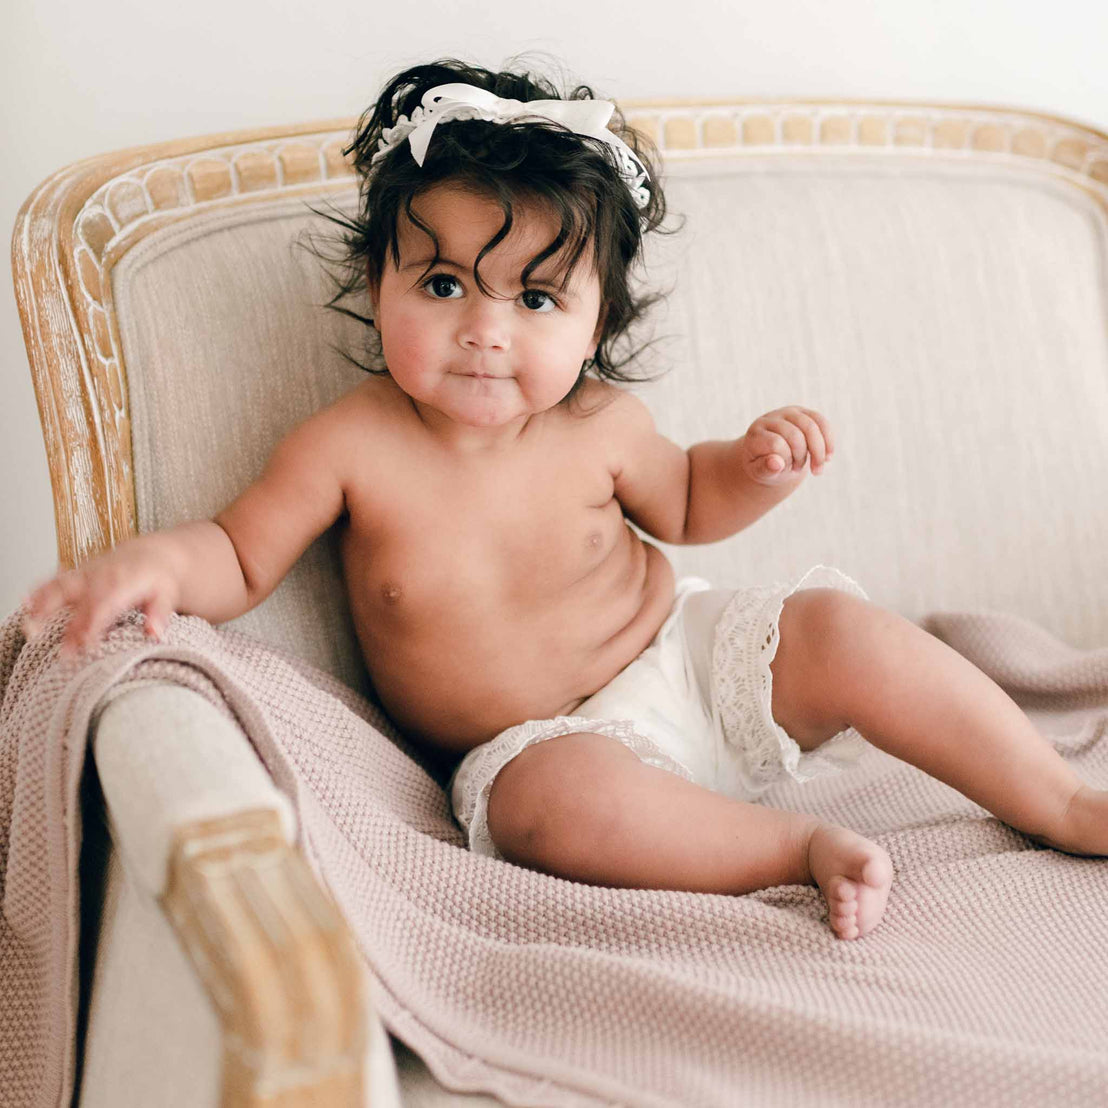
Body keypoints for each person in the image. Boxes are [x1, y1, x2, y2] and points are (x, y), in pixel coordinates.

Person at [20, 59, 1108, 941]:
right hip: (536, 740)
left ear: (594, 324)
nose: (484, 329)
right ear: (378, 283)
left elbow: (685, 502)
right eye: (442, 284)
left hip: (683, 656)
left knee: (838, 630)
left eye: (535, 297)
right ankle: (789, 851)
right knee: (552, 813)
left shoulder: (598, 425)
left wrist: (753, 466)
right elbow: (238, 551)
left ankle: (1053, 798)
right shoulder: (349, 444)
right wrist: (158, 565)